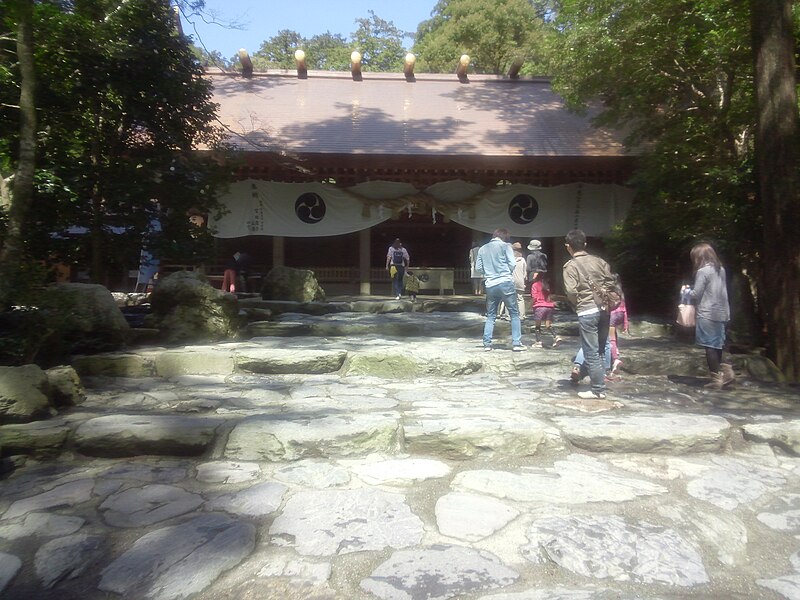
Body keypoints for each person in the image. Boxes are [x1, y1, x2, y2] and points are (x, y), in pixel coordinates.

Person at [563, 229, 616, 399]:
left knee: (591, 351)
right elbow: (610, 282)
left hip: (587, 310)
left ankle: (598, 390)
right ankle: (597, 385)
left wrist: (576, 302)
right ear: (585, 244)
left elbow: (571, 290)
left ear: (568, 247)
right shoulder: (600, 261)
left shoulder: (570, 266)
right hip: (604, 309)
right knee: (600, 349)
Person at [682, 242, 734, 389]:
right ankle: (728, 374)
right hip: (723, 312)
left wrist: (685, 291)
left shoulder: (703, 271)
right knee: (719, 345)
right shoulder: (721, 269)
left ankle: (716, 379)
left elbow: (696, 294)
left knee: (709, 346)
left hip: (707, 313)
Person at [475, 228, 526, 352]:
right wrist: (505, 272)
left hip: (491, 284)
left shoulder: (482, 248)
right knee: (514, 313)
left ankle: (487, 344)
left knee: (491, 315)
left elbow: (478, 267)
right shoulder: (506, 246)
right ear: (505, 237)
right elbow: (512, 263)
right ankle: (516, 343)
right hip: (505, 282)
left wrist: (489, 272)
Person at [531, 273, 562, 348]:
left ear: (537, 277)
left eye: (534, 275)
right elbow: (549, 298)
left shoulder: (535, 285)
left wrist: (530, 305)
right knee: (548, 325)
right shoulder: (546, 285)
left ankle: (538, 342)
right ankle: (556, 336)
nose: (533, 276)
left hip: (539, 307)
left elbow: (534, 297)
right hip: (549, 307)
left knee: (537, 326)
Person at [608, 273, 628, 376]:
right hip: (621, 314)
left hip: (613, 314)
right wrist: (625, 324)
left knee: (611, 338)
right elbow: (624, 308)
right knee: (614, 334)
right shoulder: (621, 292)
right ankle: (616, 349)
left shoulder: (611, 292)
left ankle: (615, 359)